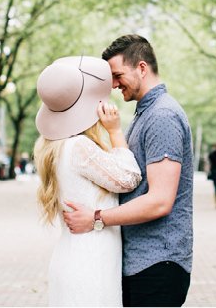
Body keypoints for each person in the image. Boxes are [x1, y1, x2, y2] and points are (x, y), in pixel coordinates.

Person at [63, 35, 194, 307]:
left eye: (117, 74)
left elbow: (160, 201)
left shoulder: (162, 116)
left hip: (158, 263)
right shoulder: (143, 115)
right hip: (141, 262)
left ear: (142, 68)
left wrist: (95, 218)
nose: (112, 84)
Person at [34, 55, 142, 307]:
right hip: (90, 264)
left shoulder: (54, 149)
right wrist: (115, 131)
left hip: (71, 258)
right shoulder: (79, 147)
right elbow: (130, 178)